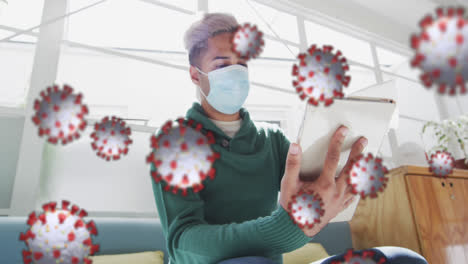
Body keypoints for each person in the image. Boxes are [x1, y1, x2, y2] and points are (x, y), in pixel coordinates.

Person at [151, 13, 428, 264]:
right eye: (223, 65)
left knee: (404, 260)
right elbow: (181, 243)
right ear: (195, 75)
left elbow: (311, 190)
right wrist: (286, 227)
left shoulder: (271, 140)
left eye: (242, 65)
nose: (236, 74)